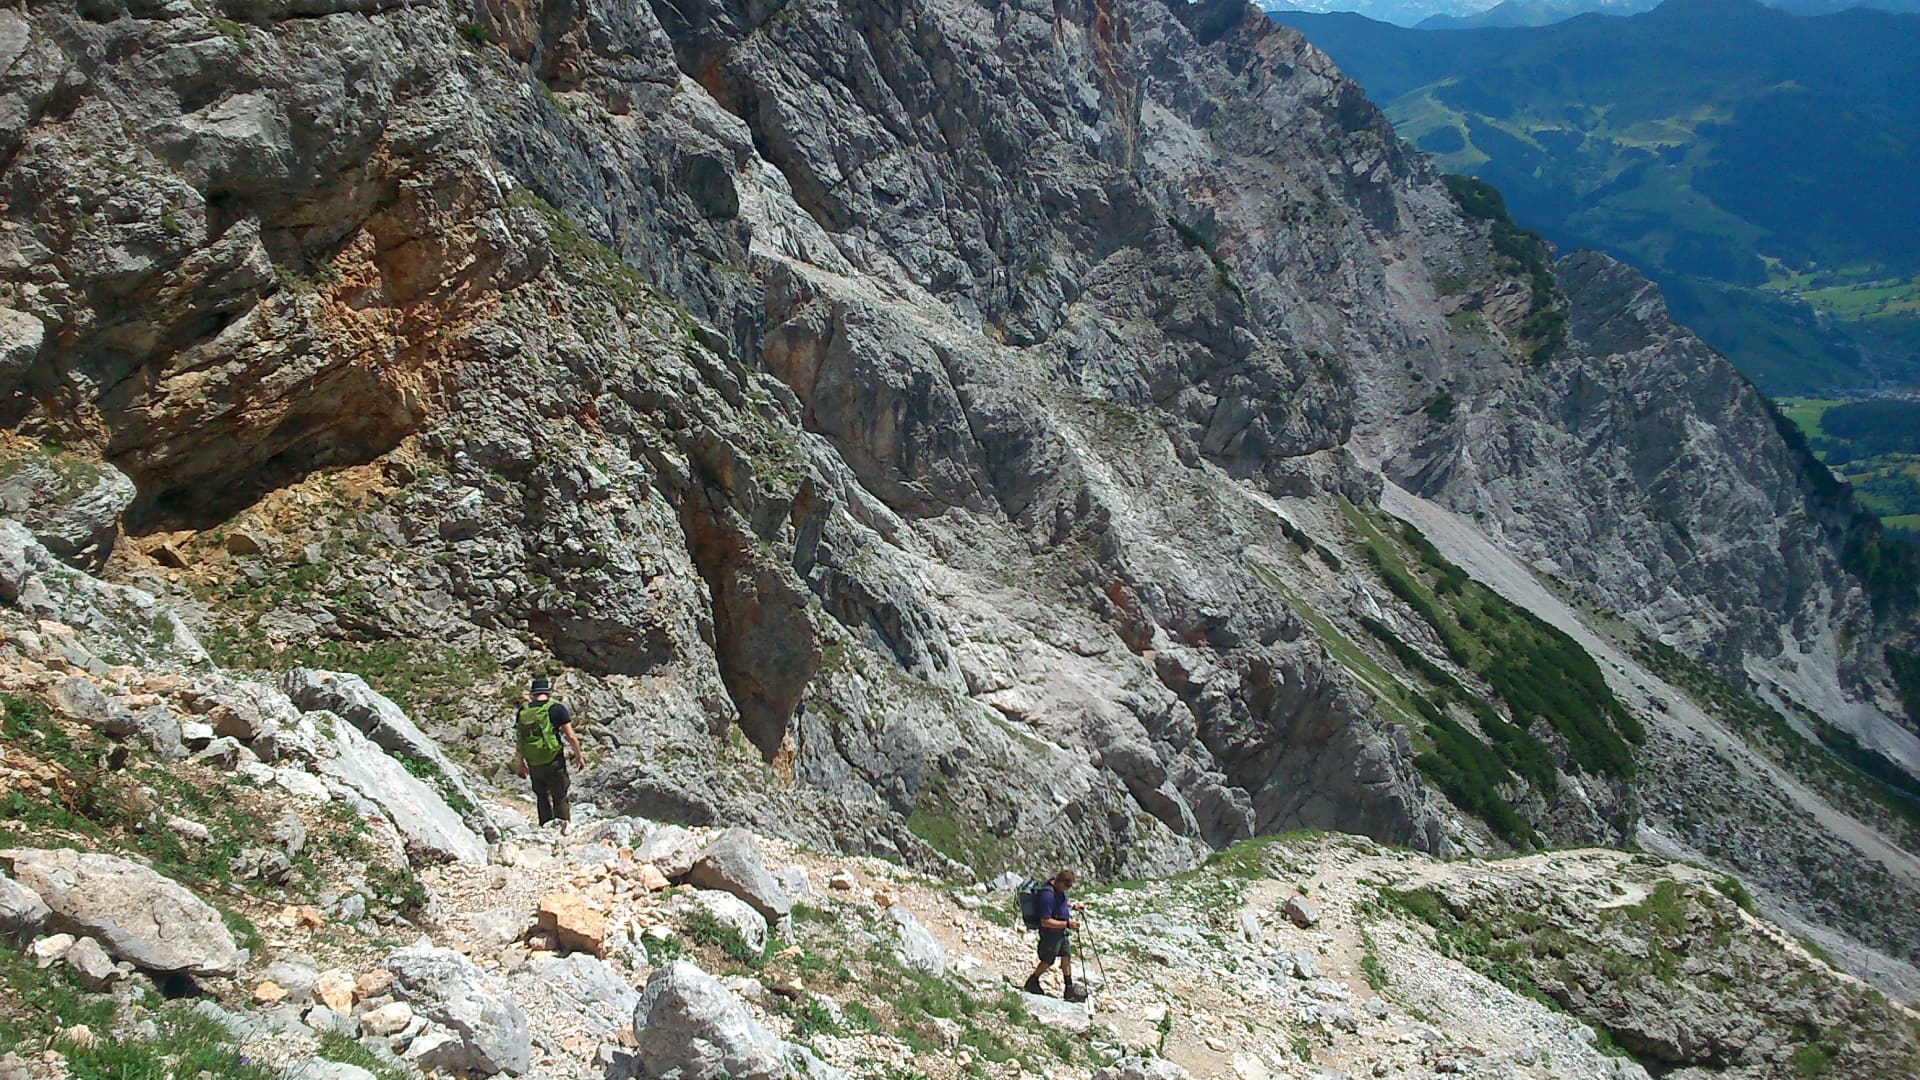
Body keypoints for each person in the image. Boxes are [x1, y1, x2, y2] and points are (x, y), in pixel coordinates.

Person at [513, 675, 586, 831]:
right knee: (559, 795)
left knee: (541, 796)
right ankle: (563, 829)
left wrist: (520, 764)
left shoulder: (523, 711)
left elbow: (520, 739)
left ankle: (545, 829)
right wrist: (579, 756)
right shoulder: (557, 709)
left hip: (533, 762)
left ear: (533, 694)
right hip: (554, 760)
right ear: (548, 693)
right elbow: (571, 736)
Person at [1023, 869, 1087, 1002]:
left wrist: (1073, 906)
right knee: (1048, 960)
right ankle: (1032, 980)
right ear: (1060, 882)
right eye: (1067, 886)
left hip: (1060, 932)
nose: (1067, 889)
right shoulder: (1047, 895)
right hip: (1050, 933)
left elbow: (1061, 901)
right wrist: (1067, 924)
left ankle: (1069, 989)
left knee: (1066, 955)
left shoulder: (1057, 890)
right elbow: (1045, 921)